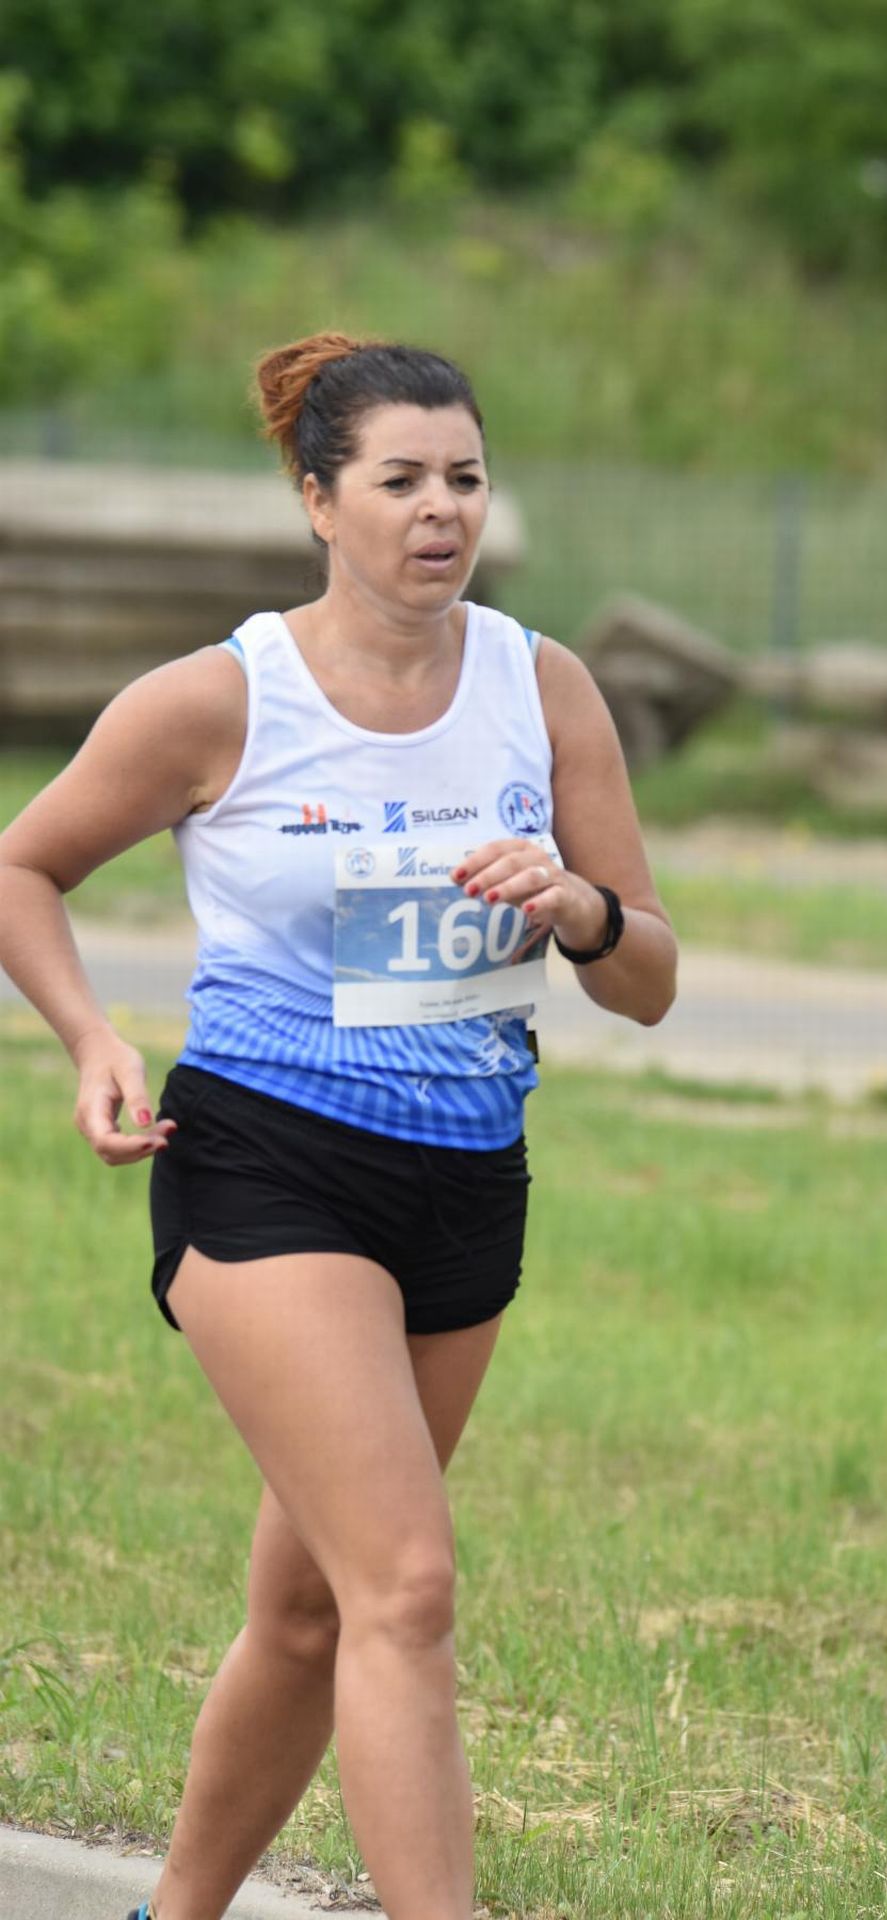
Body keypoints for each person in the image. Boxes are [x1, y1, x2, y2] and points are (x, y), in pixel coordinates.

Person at [0, 331, 677, 1920]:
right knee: (407, 1588)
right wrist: (92, 1036)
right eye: (401, 481)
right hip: (267, 1162)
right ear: (318, 500)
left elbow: (648, 978)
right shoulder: (222, 698)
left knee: (312, 1613)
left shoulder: (542, 687)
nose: (443, 511)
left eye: (467, 479)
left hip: (466, 1180)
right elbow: (22, 866)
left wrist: (579, 907)